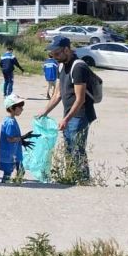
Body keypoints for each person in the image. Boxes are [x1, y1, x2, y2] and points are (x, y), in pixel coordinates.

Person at [38, 36, 96, 181]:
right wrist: (44, 112)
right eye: (52, 55)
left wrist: (66, 119)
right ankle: (72, 177)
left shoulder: (78, 67)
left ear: (67, 50)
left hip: (80, 115)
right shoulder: (62, 66)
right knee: (69, 148)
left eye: (57, 54)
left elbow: (80, 99)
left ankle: (83, 180)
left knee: (76, 149)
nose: (54, 57)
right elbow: (57, 94)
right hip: (70, 115)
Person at [0, 95, 26, 183]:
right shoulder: (10, 122)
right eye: (20, 107)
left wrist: (22, 141)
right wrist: (22, 138)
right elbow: (10, 139)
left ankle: (16, 180)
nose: (22, 109)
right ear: (11, 108)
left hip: (14, 150)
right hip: (10, 151)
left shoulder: (10, 120)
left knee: (20, 168)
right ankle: (10, 181)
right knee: (9, 170)